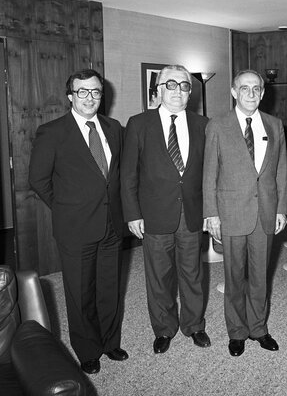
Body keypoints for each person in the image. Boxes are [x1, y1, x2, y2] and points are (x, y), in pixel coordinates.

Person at [29, 69, 127, 374]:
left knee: (109, 288)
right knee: (80, 291)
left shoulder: (114, 128)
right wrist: (65, 208)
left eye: (95, 91)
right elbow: (38, 179)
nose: (90, 98)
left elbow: (117, 177)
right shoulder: (53, 131)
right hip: (75, 227)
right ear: (70, 96)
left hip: (112, 224)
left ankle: (110, 342)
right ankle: (87, 350)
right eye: (82, 92)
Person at [121, 65, 210, 354]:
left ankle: (194, 325)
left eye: (184, 86)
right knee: (159, 276)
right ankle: (163, 329)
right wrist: (133, 213)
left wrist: (211, 211)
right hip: (154, 214)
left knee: (193, 274)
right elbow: (128, 174)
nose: (178, 91)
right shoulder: (138, 123)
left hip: (192, 214)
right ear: (158, 90)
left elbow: (209, 174)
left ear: (190, 92)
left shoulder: (203, 124)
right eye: (170, 85)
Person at [203, 70, 287, 357]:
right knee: (234, 276)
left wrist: (281, 209)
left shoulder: (275, 125)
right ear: (233, 91)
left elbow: (280, 172)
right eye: (244, 88)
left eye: (256, 89)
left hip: (265, 211)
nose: (251, 94)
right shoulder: (217, 125)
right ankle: (237, 332)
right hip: (231, 213)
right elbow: (209, 174)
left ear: (263, 93)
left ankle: (259, 328)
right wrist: (211, 213)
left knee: (260, 276)